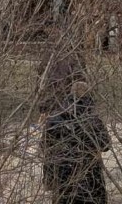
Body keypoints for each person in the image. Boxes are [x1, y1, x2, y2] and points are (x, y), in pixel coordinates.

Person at [42, 74, 111, 204]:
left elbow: (45, 146)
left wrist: (49, 177)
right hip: (90, 177)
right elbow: (105, 145)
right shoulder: (92, 118)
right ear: (88, 97)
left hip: (63, 175)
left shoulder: (55, 117)